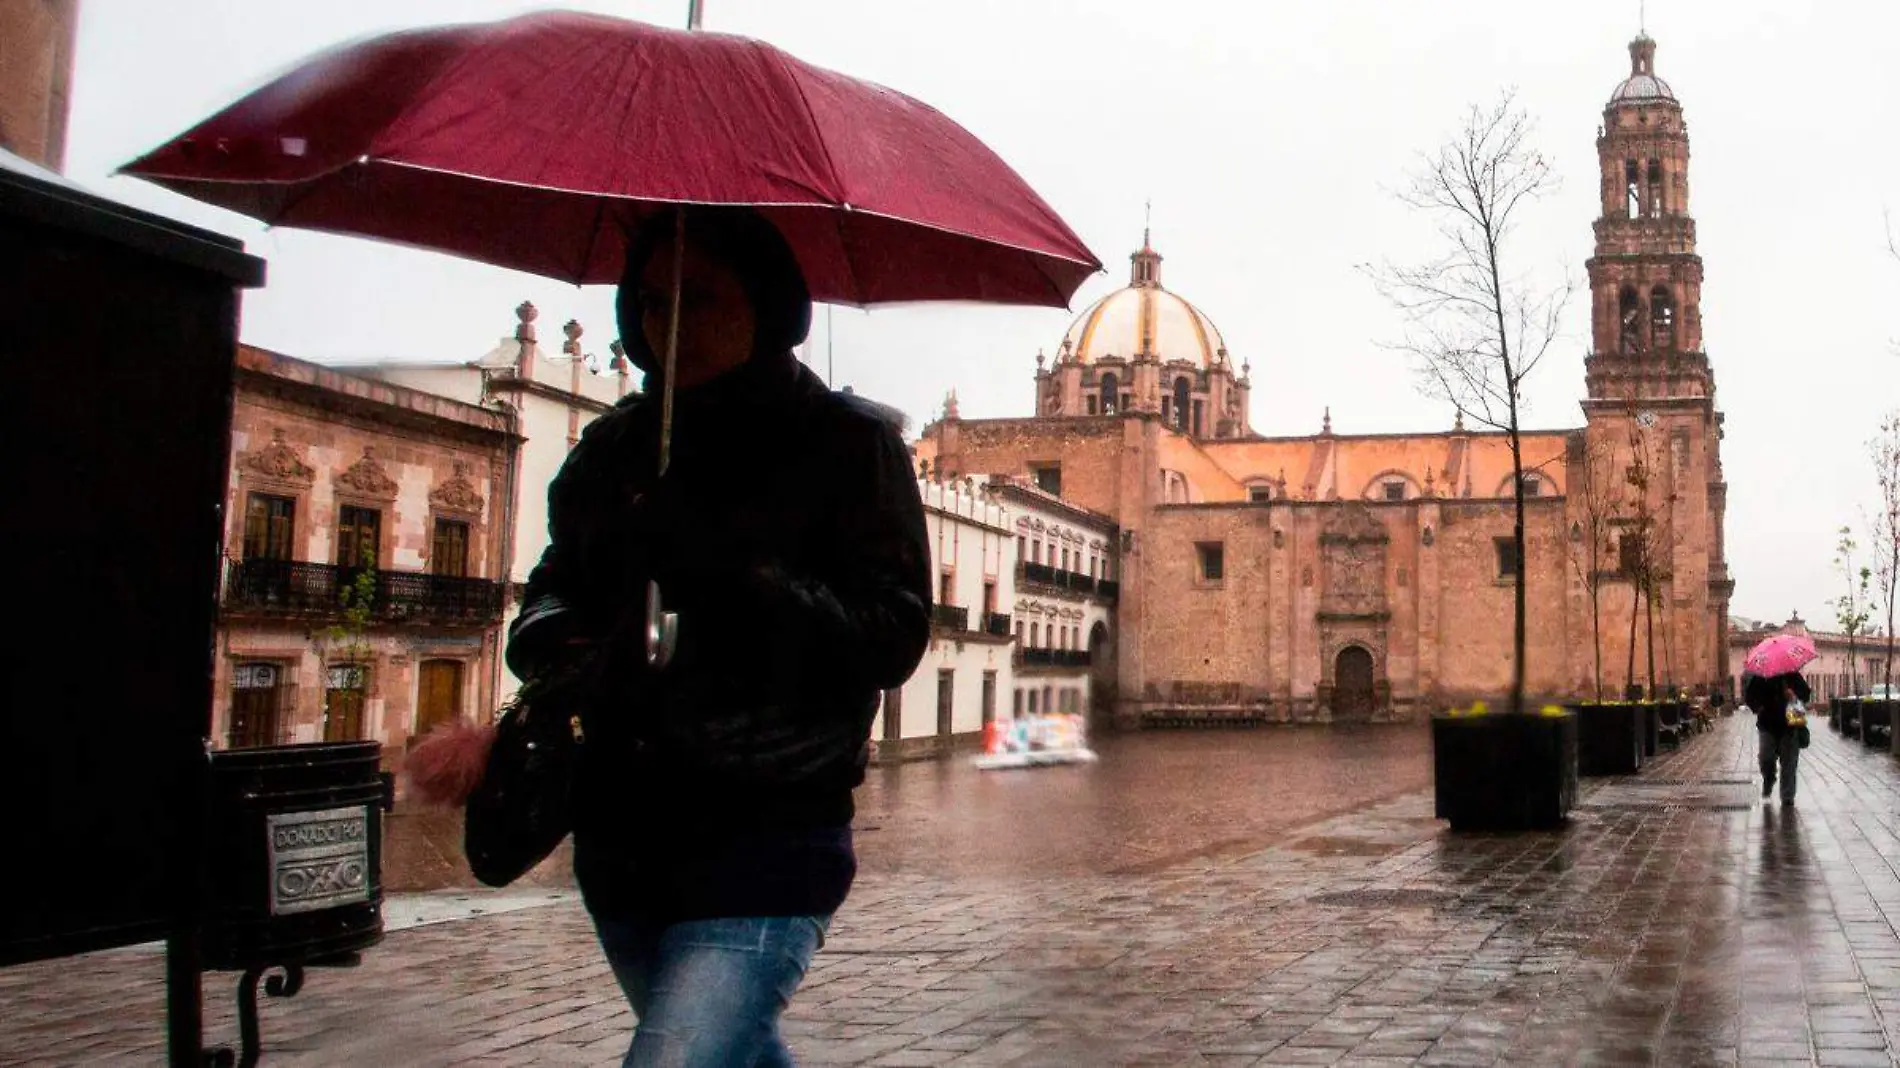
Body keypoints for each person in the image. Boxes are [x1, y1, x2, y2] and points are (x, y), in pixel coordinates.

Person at [507, 207, 932, 1066]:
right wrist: (555, 639)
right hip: (622, 838)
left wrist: (739, 571)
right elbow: (551, 590)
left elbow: (893, 634)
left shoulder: (850, 448)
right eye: (651, 305)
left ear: (767, 304)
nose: (671, 327)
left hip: (771, 831)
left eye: (698, 300)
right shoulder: (613, 452)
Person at [1744, 669, 1812, 806]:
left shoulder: (1792, 675)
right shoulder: (1760, 676)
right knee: (1765, 758)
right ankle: (1769, 779)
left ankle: (1787, 797)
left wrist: (1794, 695)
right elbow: (1750, 697)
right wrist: (1759, 706)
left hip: (1789, 725)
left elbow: (1806, 694)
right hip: (1767, 725)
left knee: (1789, 762)